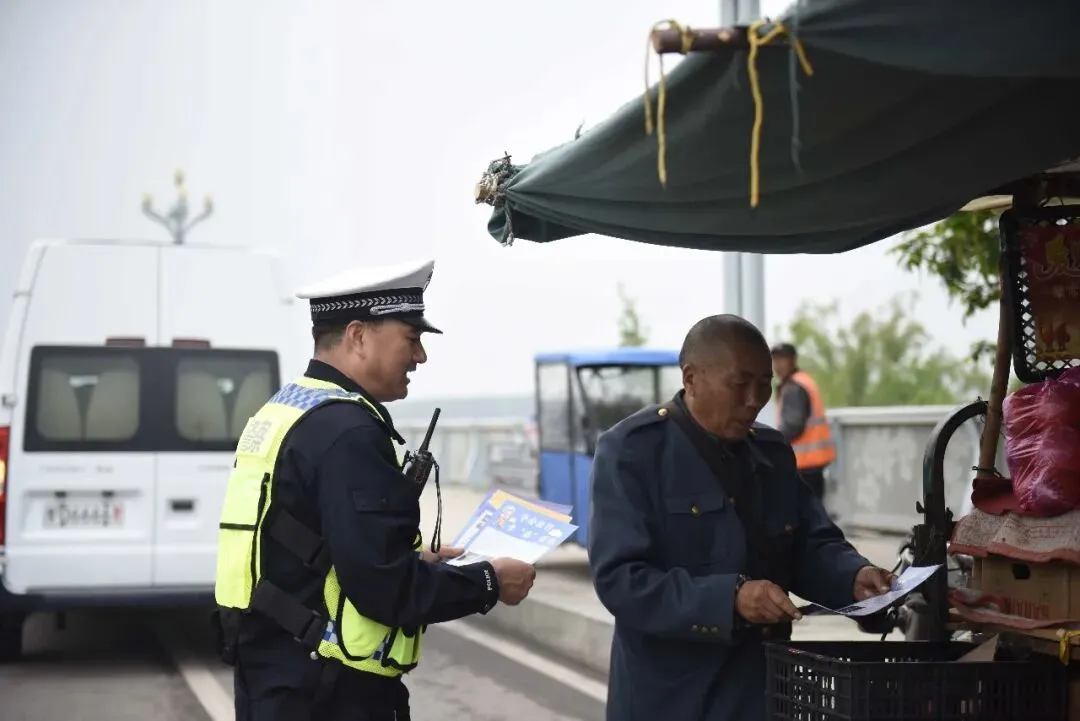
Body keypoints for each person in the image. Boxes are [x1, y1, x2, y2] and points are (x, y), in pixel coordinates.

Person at [213, 257, 537, 721]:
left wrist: (411, 558)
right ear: (358, 336)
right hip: (330, 697)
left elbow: (310, 546)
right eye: (412, 338)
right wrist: (489, 582)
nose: (420, 357)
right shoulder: (349, 433)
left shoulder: (288, 411)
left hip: (273, 677)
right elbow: (386, 590)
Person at [587, 314, 893, 721]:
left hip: (761, 692)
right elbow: (621, 581)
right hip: (671, 698)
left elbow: (809, 544)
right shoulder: (633, 452)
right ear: (691, 378)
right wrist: (729, 599)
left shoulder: (771, 451)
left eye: (764, 384)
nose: (754, 399)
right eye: (739, 384)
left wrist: (852, 576)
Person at [770, 342, 837, 503]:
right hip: (813, 463)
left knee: (802, 512)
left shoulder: (794, 387)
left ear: (793, 360)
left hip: (803, 464)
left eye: (782, 359)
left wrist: (771, 444)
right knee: (813, 511)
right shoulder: (804, 380)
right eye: (775, 360)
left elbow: (792, 425)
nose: (778, 365)